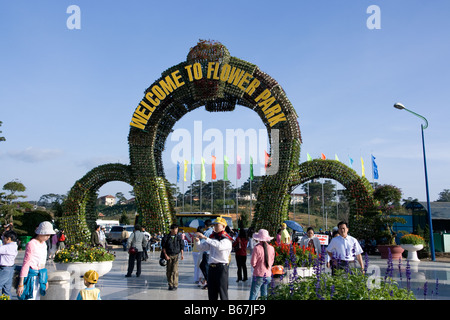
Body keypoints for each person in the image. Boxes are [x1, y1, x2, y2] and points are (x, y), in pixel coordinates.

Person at [195, 217, 233, 300]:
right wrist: (197, 241)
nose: (215, 227)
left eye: (217, 225)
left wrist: (206, 238)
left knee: (223, 293)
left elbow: (219, 246)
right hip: (211, 268)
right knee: (212, 293)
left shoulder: (226, 239)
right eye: (214, 225)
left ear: (223, 226)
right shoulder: (213, 237)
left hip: (221, 268)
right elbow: (202, 248)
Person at [17, 221, 55, 300]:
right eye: (47, 234)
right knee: (30, 297)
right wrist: (21, 283)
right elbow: (26, 263)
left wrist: (45, 279)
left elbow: (43, 263)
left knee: (37, 297)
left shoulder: (44, 244)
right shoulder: (31, 244)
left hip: (40, 276)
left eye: (49, 235)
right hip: (31, 276)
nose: (48, 237)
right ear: (40, 233)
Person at [249, 229, 275, 300]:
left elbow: (253, 263)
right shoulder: (272, 248)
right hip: (268, 275)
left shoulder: (257, 248)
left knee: (253, 294)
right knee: (264, 295)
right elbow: (272, 261)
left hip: (258, 275)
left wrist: (257, 267)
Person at [161, 224, 184, 290]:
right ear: (171, 230)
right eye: (174, 229)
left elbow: (181, 246)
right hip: (169, 255)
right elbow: (163, 247)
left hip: (176, 255)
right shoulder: (166, 237)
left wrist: (182, 255)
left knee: (175, 270)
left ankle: (175, 284)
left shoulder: (179, 237)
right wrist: (165, 255)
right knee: (169, 270)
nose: (176, 230)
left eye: (177, 229)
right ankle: (170, 284)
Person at [0, 230, 18, 298]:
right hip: (10, 269)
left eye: (3, 238)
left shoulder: (7, 247)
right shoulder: (14, 246)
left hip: (5, 269)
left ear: (8, 239)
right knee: (6, 290)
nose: (3, 240)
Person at [199, 219, 213, 290]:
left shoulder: (207, 232)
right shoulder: (211, 231)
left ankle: (208, 282)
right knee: (203, 266)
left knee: (204, 266)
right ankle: (207, 281)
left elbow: (202, 241)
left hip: (206, 252)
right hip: (210, 252)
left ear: (205, 225)